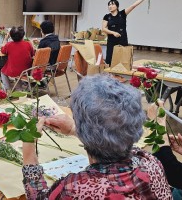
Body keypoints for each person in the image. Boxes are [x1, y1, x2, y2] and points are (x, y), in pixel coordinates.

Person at [22, 75, 172, 199]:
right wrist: (75, 130)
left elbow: (38, 197)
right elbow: (117, 138)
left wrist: (29, 148)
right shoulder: (150, 162)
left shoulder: (75, 188)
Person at [101, 0, 151, 65]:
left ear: (117, 6)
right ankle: (109, 74)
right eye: (109, 5)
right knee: (110, 59)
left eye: (112, 4)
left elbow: (133, 5)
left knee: (122, 59)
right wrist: (113, 33)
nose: (110, 6)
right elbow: (103, 29)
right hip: (111, 41)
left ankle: (120, 74)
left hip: (122, 39)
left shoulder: (122, 14)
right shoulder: (107, 16)